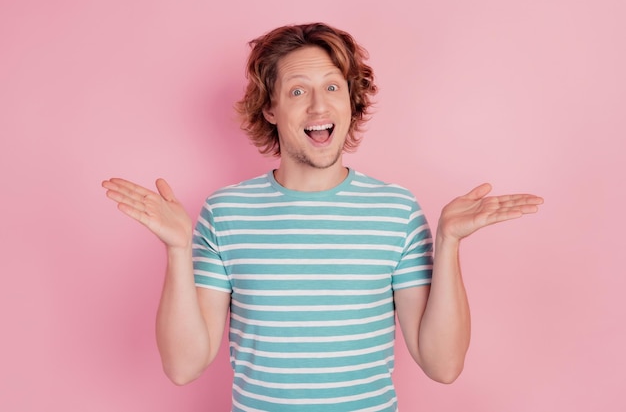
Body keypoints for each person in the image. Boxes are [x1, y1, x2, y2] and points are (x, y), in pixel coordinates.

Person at [102, 22, 543, 411]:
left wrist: (448, 242)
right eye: (298, 91)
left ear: (351, 102)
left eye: (332, 87)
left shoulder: (398, 211)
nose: (318, 107)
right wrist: (179, 251)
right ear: (270, 109)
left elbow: (443, 365)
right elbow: (184, 366)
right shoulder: (225, 213)